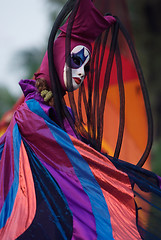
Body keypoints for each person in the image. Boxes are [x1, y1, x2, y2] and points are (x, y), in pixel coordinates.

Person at [0, 0, 161, 239]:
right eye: (76, 61)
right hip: (37, 216)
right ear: (57, 57)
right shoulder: (31, 113)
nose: (80, 74)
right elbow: (65, 162)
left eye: (85, 68)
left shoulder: (65, 115)